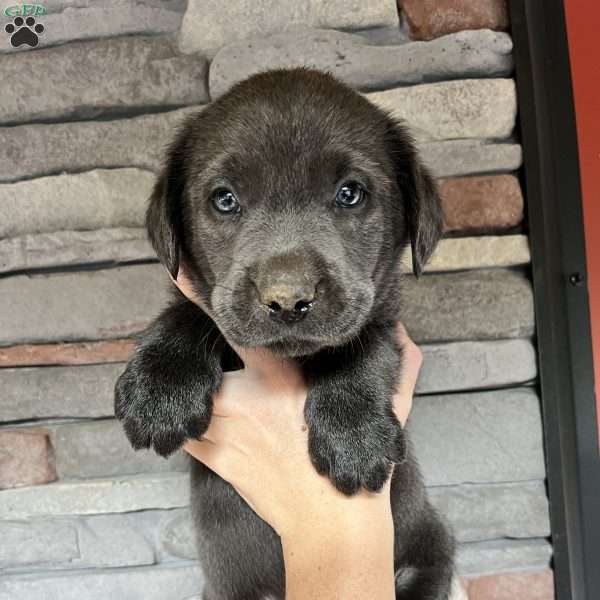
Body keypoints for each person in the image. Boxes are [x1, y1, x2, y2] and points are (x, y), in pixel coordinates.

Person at [174, 270, 435, 599]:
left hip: (409, 572)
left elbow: (380, 337)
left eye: (346, 211)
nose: (287, 293)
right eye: (227, 212)